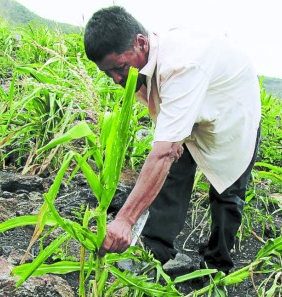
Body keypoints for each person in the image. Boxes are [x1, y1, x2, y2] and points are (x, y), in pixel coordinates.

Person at [84, 6, 261, 274]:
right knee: (173, 170)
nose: (117, 78)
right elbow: (167, 147)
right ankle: (155, 250)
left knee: (228, 190)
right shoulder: (147, 61)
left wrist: (124, 220)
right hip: (197, 98)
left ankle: (217, 265)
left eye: (119, 67)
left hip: (231, 111)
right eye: (108, 73)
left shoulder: (180, 64)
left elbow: (162, 153)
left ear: (141, 43)